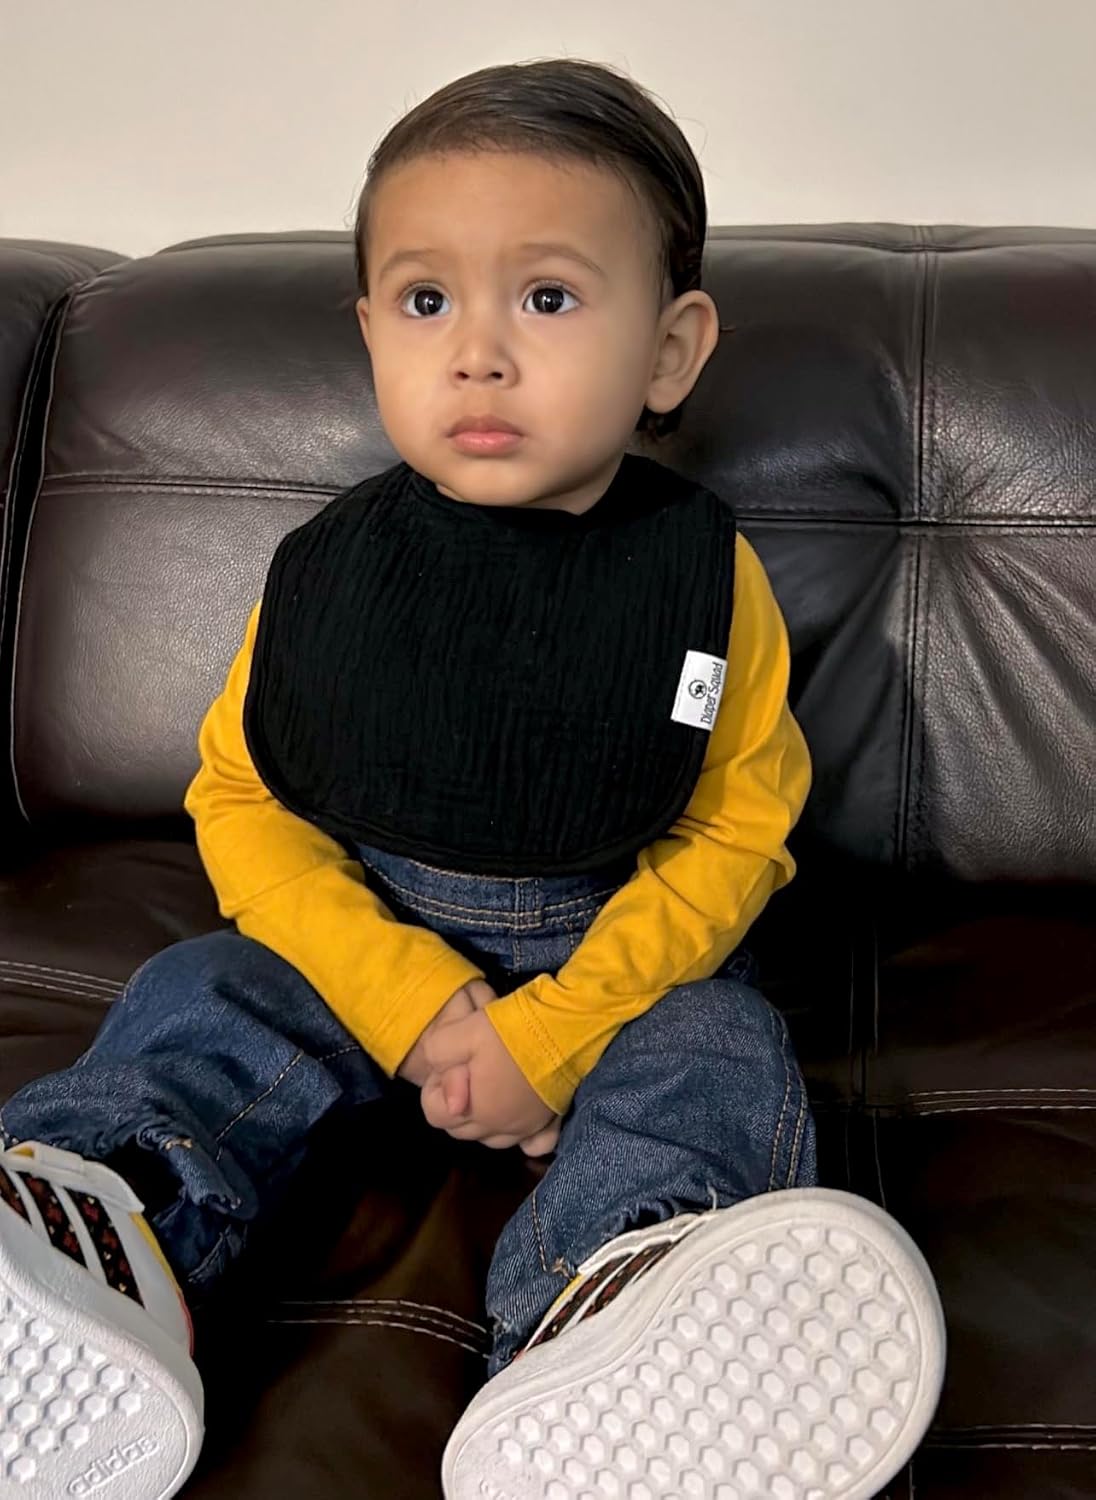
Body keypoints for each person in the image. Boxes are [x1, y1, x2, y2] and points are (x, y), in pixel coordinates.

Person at [0, 57, 945, 1500]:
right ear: (370, 330)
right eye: (427, 300)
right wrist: (416, 1005)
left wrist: (550, 1038)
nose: (478, 355)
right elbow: (244, 801)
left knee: (719, 1047)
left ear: (671, 350)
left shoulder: (703, 582)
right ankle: (88, 1229)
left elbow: (734, 840)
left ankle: (615, 1306)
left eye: (548, 299)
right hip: (360, 952)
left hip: (615, 971)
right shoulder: (327, 573)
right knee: (204, 991)